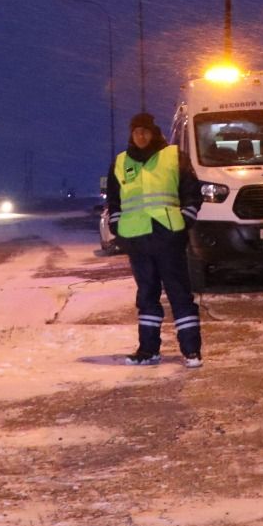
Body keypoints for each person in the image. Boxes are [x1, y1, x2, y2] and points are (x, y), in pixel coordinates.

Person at [105, 112, 203, 367]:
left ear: (154, 132)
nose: (140, 135)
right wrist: (118, 228)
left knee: (179, 294)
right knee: (147, 296)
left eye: (145, 131)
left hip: (168, 238)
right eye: (136, 131)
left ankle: (191, 351)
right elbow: (114, 202)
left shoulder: (173, 156)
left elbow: (192, 192)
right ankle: (148, 350)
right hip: (137, 241)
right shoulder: (120, 162)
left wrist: (183, 223)